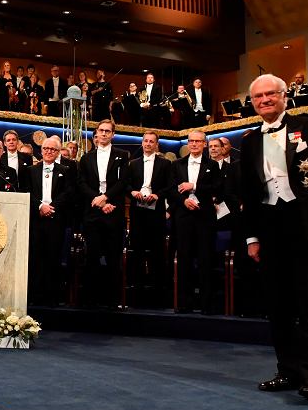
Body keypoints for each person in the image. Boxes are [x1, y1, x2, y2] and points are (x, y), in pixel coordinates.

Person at [241, 74, 308, 402]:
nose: (264, 100)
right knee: (278, 304)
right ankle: (287, 371)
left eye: (270, 94)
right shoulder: (249, 141)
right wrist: (251, 237)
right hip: (270, 227)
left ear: (284, 95)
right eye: (258, 96)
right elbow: (248, 193)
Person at [77, 119, 129, 307]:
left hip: (113, 211)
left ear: (113, 134)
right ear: (96, 133)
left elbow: (123, 182)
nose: (104, 133)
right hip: (93, 213)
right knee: (92, 256)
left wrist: (106, 198)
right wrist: (98, 200)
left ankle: (113, 300)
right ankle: (91, 300)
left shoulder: (122, 155)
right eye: (101, 130)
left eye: (108, 131)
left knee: (113, 257)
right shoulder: (86, 158)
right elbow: (81, 183)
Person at [169, 131, 222, 313]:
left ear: (204, 144)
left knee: (206, 260)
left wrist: (195, 186)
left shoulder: (212, 165)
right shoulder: (177, 164)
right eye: (191, 141)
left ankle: (206, 304)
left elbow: (217, 188)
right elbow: (170, 189)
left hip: (204, 217)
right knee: (184, 259)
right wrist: (183, 201)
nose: (193, 144)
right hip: (183, 217)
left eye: (198, 141)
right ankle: (185, 303)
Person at [23, 136, 72, 305]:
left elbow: (68, 193)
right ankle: (34, 296)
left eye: (52, 149)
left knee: (54, 257)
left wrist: (51, 207)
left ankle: (52, 297)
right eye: (46, 148)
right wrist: (40, 206)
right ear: (41, 150)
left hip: (56, 219)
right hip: (36, 219)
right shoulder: (30, 170)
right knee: (36, 257)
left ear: (58, 152)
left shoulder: (66, 170)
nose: (49, 151)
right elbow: (26, 191)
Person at [126, 132, 172, 308]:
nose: (148, 144)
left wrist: (158, 195)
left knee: (157, 252)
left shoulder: (165, 164)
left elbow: (170, 186)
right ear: (142, 143)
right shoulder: (133, 164)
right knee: (136, 250)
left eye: (151, 141)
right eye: (145, 141)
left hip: (156, 212)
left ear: (156, 144)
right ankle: (136, 292)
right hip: (137, 212)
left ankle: (157, 293)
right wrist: (132, 192)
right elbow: (126, 184)